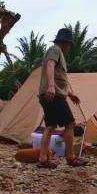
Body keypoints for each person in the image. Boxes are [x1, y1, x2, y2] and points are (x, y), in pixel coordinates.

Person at [37, 28, 87, 168]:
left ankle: (42, 159)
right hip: (54, 95)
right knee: (70, 124)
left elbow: (60, 78)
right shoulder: (55, 50)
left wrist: (70, 94)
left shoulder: (58, 53)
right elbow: (50, 64)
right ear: (65, 43)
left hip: (49, 95)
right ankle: (71, 158)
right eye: (69, 45)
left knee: (50, 126)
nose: (69, 48)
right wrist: (51, 86)